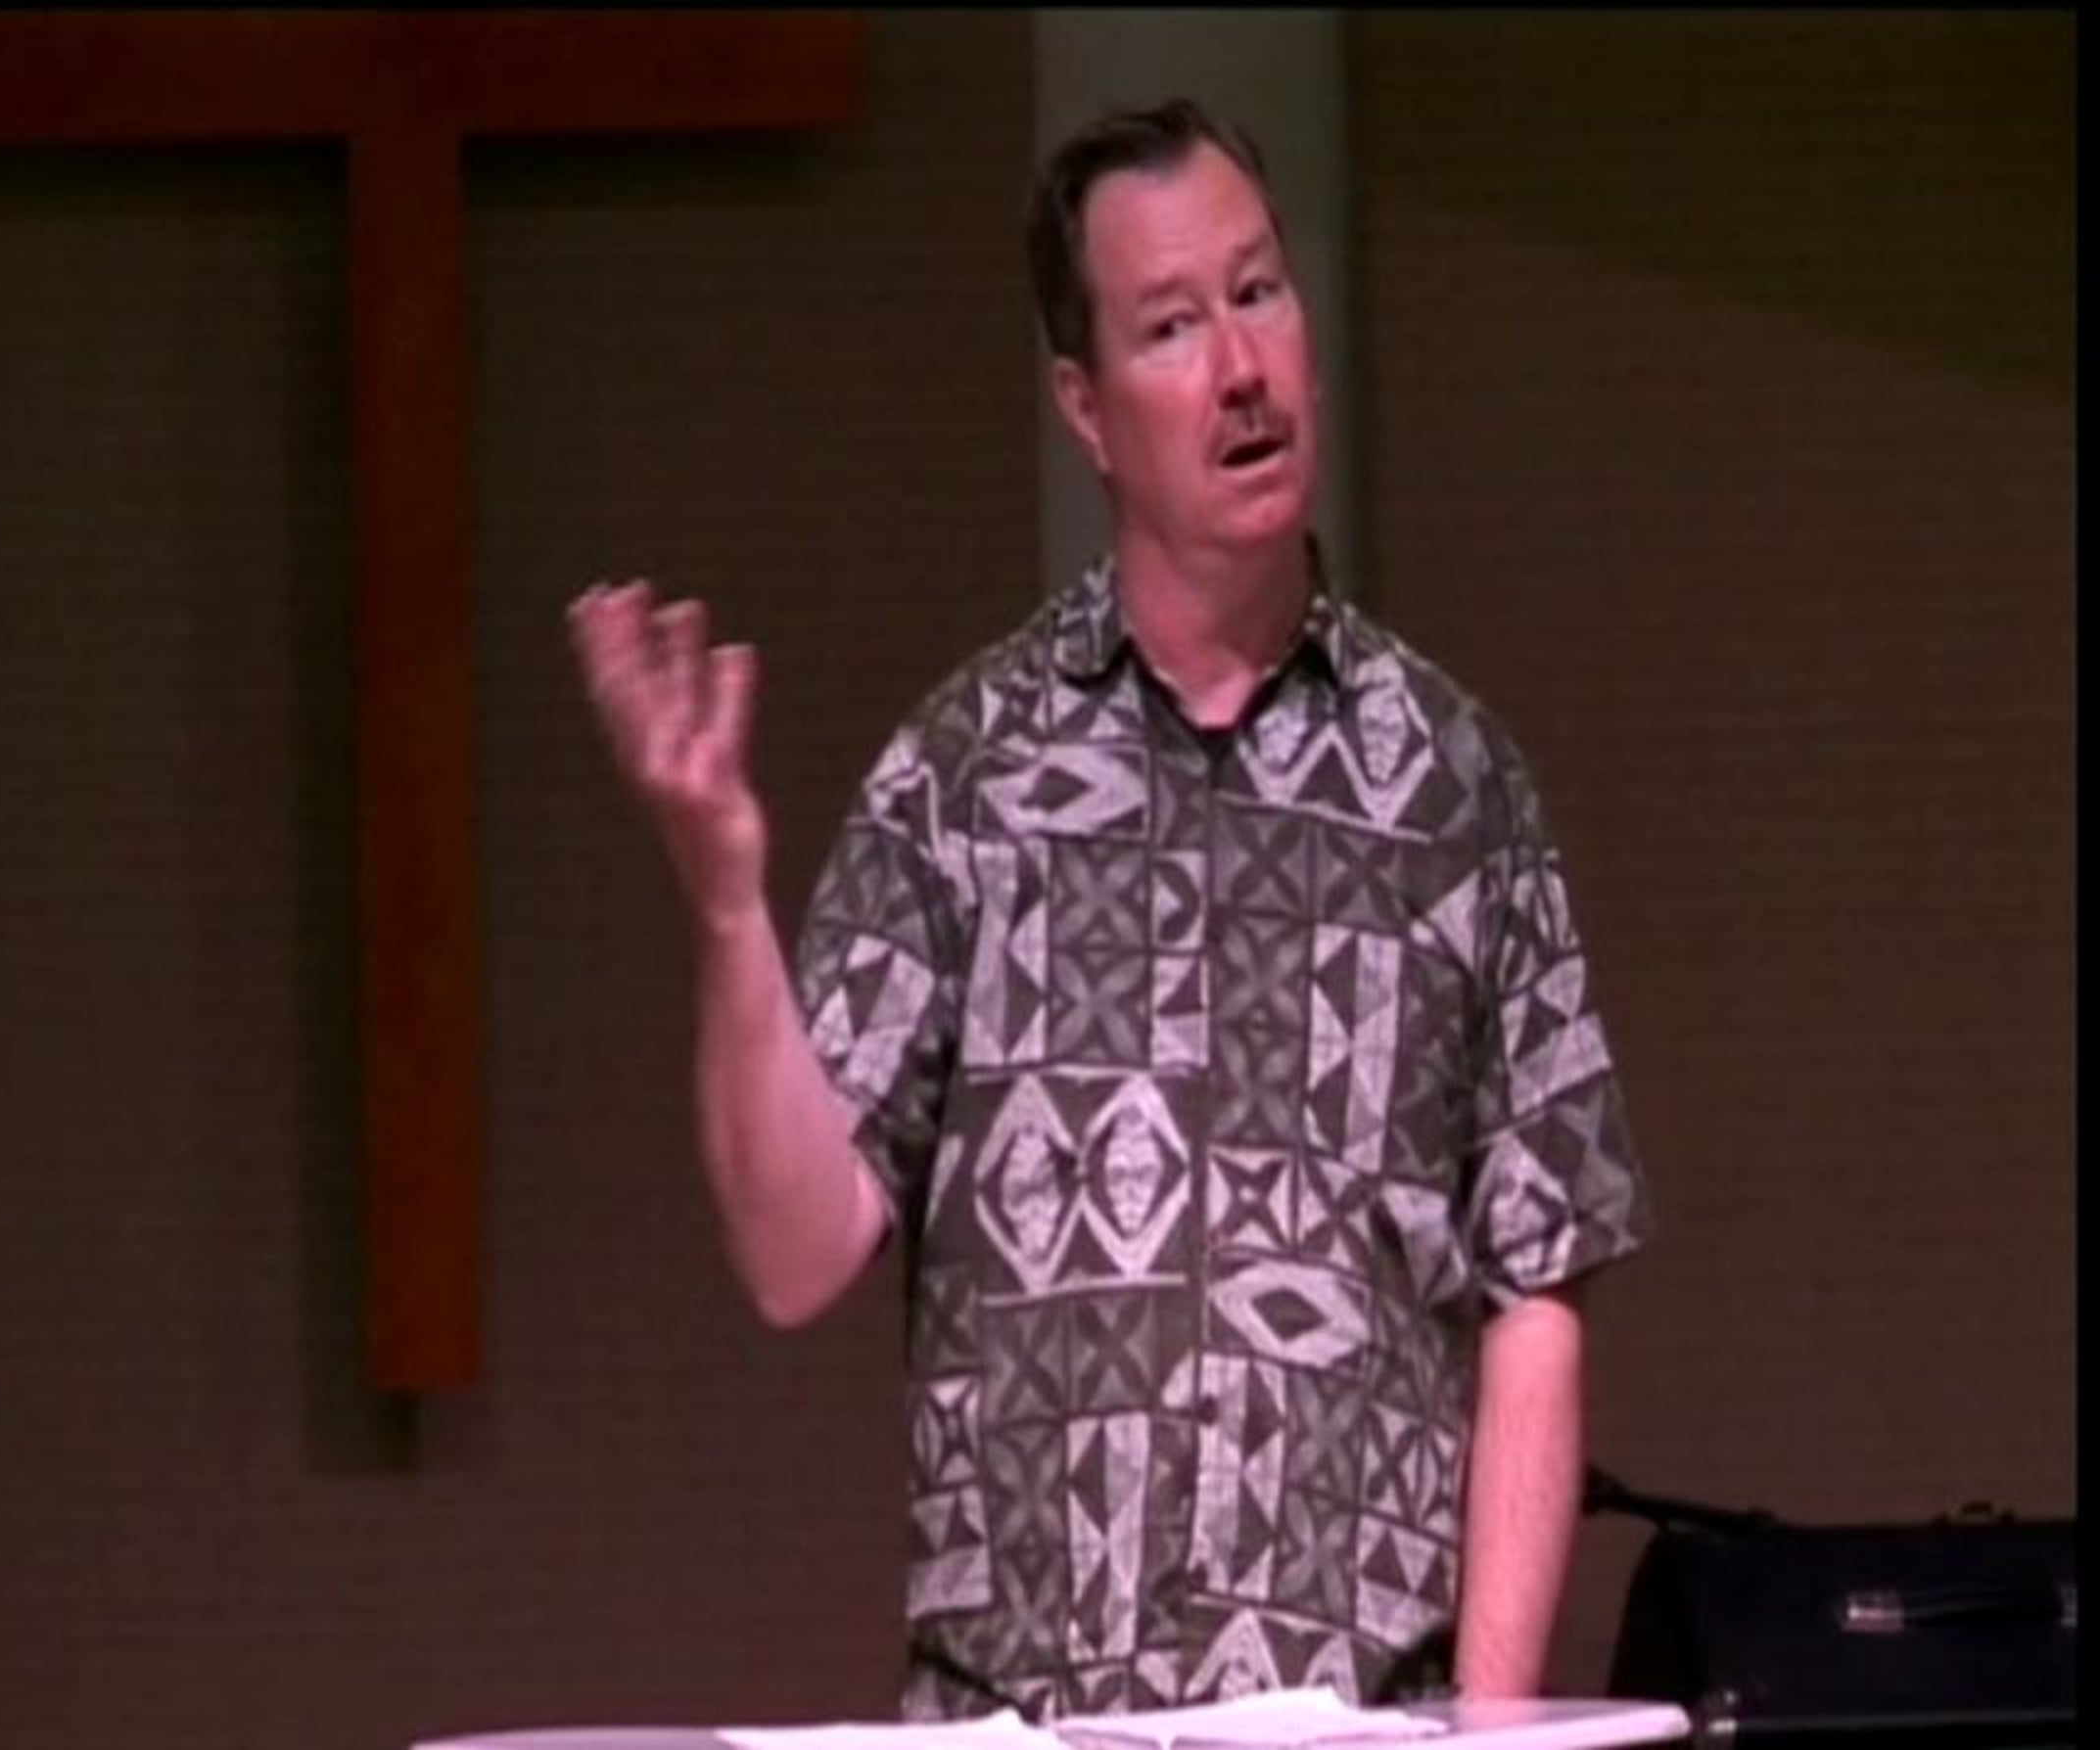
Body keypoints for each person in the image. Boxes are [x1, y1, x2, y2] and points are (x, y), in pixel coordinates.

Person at [567, 100, 1652, 1724]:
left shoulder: (1456, 784)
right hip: (1022, 1723)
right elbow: (796, 1256)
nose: (1242, 368)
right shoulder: (962, 775)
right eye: (1172, 326)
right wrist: (728, 902)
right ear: (1084, 404)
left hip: (1361, 1724)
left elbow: (1538, 1283)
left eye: (1260, 293)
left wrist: (1487, 1731)